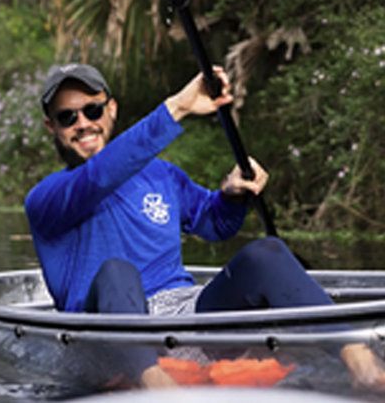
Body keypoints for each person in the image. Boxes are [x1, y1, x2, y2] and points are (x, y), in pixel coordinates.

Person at [25, 63, 385, 390]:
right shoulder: (46, 199)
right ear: (51, 127)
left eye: (92, 110)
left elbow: (215, 224)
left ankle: (363, 364)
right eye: (67, 117)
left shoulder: (161, 175)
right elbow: (100, 176)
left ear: (111, 109)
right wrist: (178, 107)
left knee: (267, 253)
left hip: (186, 321)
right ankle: (159, 389)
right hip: (105, 339)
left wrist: (230, 195)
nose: (83, 123)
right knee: (117, 271)